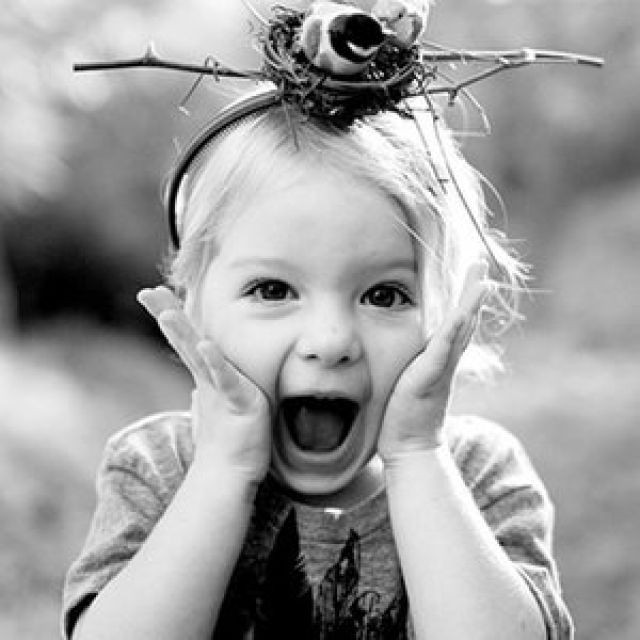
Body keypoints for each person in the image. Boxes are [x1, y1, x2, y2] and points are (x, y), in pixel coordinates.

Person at [62, 6, 575, 639]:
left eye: (384, 295)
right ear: (195, 311)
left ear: (444, 317)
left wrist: (417, 455)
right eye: (273, 289)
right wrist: (222, 472)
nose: (331, 342)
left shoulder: (477, 474)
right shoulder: (158, 467)